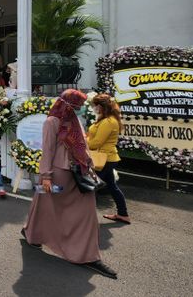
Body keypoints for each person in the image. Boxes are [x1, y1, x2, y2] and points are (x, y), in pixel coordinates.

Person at [22, 89, 117, 279]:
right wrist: (46, 176)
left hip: (77, 173)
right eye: (76, 106)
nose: (78, 109)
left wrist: (88, 166)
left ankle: (86, 254)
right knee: (44, 201)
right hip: (57, 174)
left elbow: (82, 145)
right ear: (66, 103)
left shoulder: (73, 120)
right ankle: (33, 234)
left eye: (80, 107)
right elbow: (47, 150)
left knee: (82, 210)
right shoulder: (52, 121)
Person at [88, 93, 130, 224]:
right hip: (106, 158)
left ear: (100, 106)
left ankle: (85, 219)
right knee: (112, 186)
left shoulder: (108, 121)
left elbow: (96, 143)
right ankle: (123, 214)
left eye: (94, 105)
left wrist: (81, 143)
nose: (93, 108)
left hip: (104, 159)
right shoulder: (106, 119)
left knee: (89, 186)